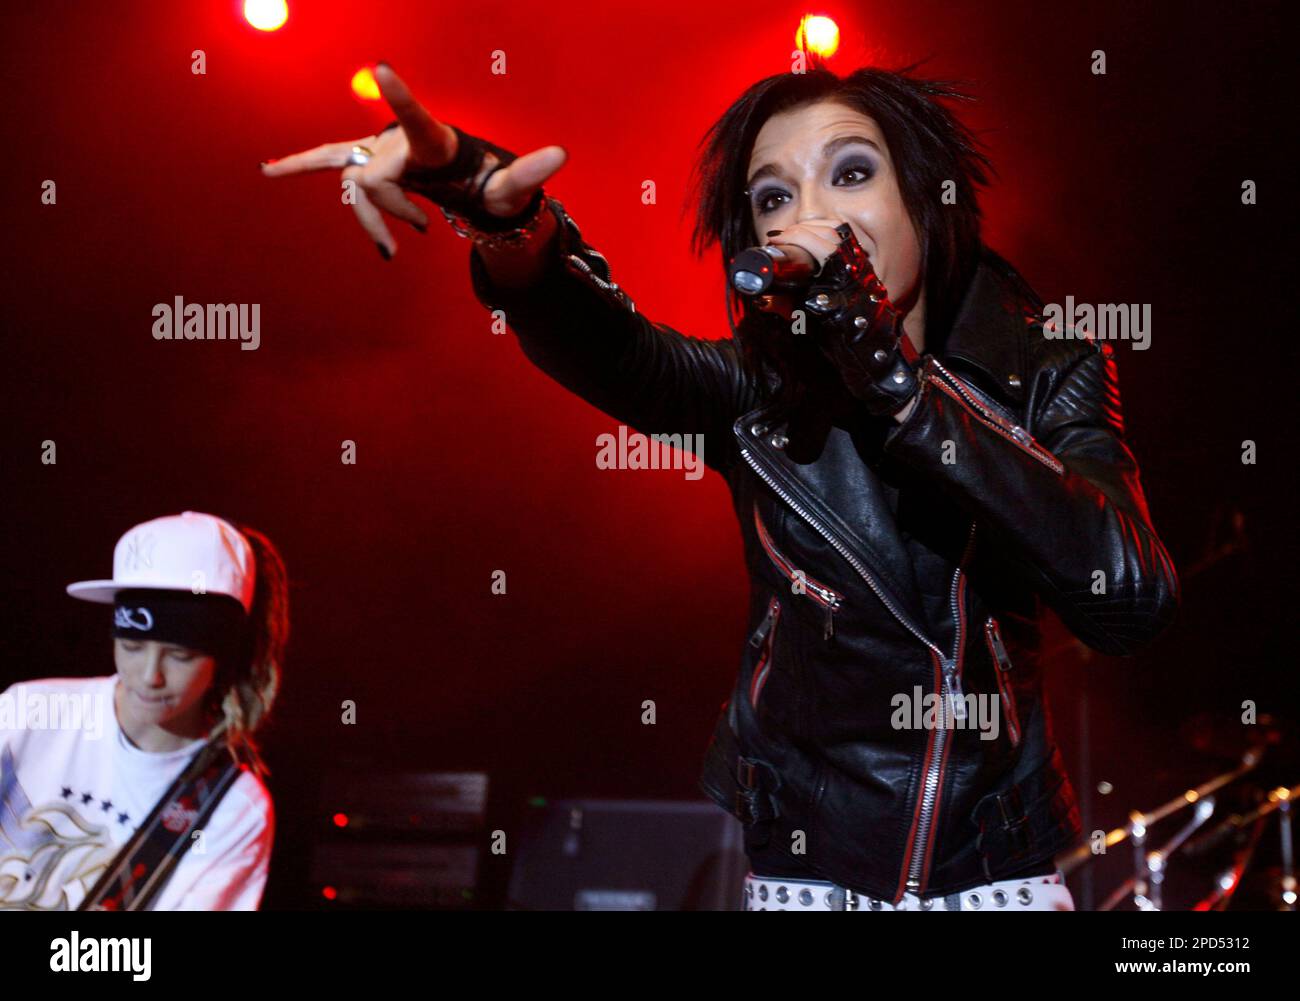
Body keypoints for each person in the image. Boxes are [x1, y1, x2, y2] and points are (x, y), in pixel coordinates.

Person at [261, 62, 1178, 911]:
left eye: (851, 172)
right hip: (808, 873)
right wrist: (504, 218)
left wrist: (903, 389)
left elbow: (1128, 599)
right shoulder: (757, 397)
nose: (811, 212)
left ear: (927, 205)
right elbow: (608, 342)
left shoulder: (1045, 371)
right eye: (775, 196)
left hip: (995, 877)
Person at [0, 511, 288, 910]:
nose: (150, 676)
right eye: (132, 647)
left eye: (180, 655)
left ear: (221, 656)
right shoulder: (28, 711)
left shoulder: (234, 810)